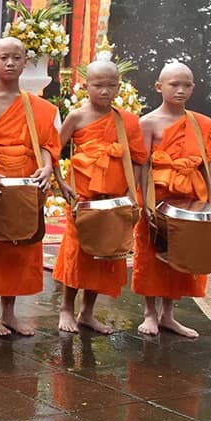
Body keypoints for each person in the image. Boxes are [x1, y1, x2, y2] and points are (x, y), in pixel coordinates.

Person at [0, 37, 60, 337]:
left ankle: (9, 311)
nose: (10, 63)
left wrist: (46, 167)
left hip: (24, 180)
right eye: (4, 57)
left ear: (25, 62)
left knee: (19, 244)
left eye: (16, 57)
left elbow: (45, 142)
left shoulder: (36, 106)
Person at [52, 59, 146, 334]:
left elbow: (139, 158)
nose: (104, 91)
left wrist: (131, 191)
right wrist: (61, 184)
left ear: (119, 86)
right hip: (83, 197)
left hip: (115, 197)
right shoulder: (77, 117)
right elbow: (53, 151)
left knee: (106, 252)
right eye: (98, 85)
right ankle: (66, 308)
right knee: (77, 252)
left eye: (110, 85)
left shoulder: (127, 121)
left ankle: (87, 312)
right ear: (86, 86)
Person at [133, 62, 211, 338]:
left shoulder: (200, 123)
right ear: (159, 87)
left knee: (182, 256)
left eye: (186, 85)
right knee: (151, 254)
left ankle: (168, 315)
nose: (180, 90)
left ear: (193, 88)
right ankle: (148, 313)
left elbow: (205, 163)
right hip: (157, 196)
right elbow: (142, 163)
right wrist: (142, 200)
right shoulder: (148, 122)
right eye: (174, 85)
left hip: (190, 198)